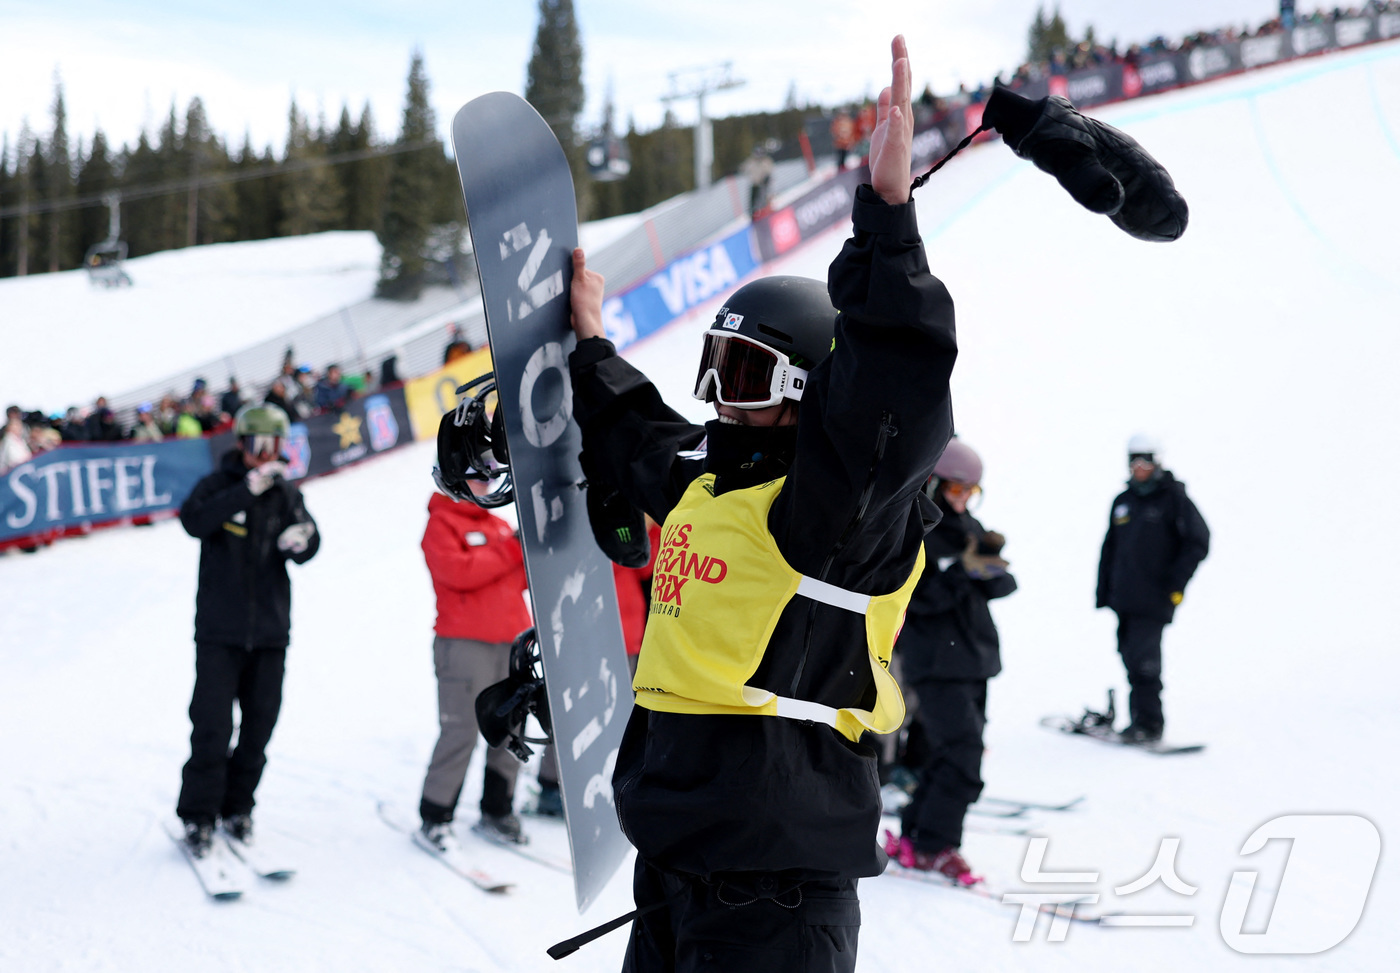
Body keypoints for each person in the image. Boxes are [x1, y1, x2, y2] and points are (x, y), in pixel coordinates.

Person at [565, 36, 955, 971]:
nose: (723, 392)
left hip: (776, 904)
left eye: (747, 371)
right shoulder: (710, 478)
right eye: (717, 366)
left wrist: (889, 224)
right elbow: (639, 434)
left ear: (807, 385)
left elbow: (890, 396)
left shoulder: (839, 517)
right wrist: (587, 347)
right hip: (672, 876)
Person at [175, 404, 319, 855]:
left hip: (270, 634)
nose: (267, 455)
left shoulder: (285, 492)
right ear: (242, 444)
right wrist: (243, 491)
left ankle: (239, 808)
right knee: (213, 729)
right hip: (221, 633)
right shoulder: (219, 485)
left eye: (275, 446)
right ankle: (199, 816)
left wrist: (304, 540)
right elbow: (193, 521)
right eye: (259, 445)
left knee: (258, 730)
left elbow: (309, 537)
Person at [886, 438, 1016, 883]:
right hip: (936, 661)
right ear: (934, 483)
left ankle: (916, 838)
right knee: (964, 757)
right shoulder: (915, 529)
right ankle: (937, 846)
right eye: (957, 491)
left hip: (974, 660)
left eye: (971, 493)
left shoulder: (968, 527)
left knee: (945, 755)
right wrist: (964, 572)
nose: (963, 501)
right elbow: (919, 602)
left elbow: (1005, 584)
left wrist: (989, 565)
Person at [417, 486, 533, 850]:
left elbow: (518, 580)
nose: (485, 485)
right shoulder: (442, 524)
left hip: (512, 643)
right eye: (475, 476)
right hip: (464, 645)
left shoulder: (498, 526)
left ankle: (497, 810)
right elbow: (460, 572)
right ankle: (435, 816)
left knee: (511, 730)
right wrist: (513, 551)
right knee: (461, 732)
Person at [1096, 433, 1210, 742]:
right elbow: (1111, 549)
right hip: (1125, 598)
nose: (1140, 467)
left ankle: (1150, 725)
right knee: (1130, 657)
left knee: (1145, 664)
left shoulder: (1174, 499)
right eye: (1135, 461)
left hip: (1155, 597)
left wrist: (1175, 583)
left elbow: (1199, 542)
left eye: (1146, 461)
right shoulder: (1124, 502)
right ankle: (1138, 722)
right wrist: (1104, 591)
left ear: (1157, 462)